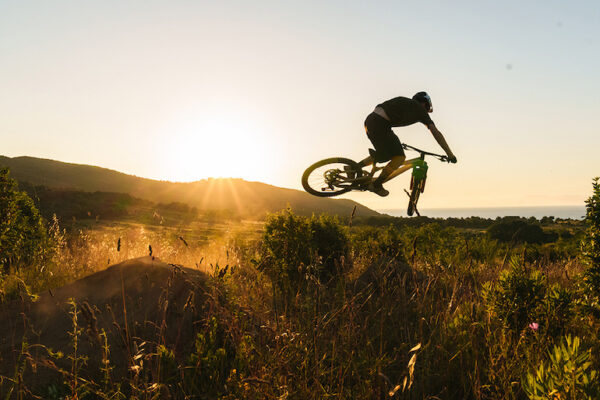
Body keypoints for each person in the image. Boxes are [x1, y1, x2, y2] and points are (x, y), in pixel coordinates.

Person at [359, 92, 457, 197]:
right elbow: (436, 133)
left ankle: (353, 167)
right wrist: (450, 154)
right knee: (399, 157)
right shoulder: (420, 109)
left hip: (370, 121)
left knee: (384, 154)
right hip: (381, 123)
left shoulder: (406, 102)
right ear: (425, 103)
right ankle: (376, 185)